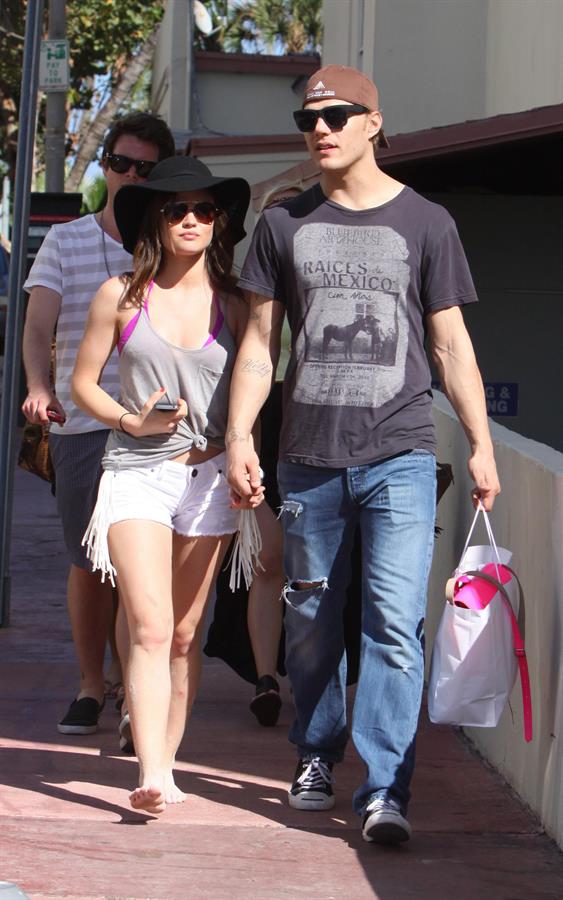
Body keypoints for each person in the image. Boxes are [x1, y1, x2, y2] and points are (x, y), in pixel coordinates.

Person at [225, 64, 500, 844]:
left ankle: (385, 787)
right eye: (308, 118)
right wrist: (242, 435)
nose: (321, 128)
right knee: (310, 618)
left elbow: (450, 344)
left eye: (339, 115)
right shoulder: (281, 225)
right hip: (307, 454)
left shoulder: (426, 222)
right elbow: (257, 345)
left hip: (401, 452)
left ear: (373, 123)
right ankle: (315, 752)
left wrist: (478, 443)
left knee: (390, 620)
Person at [71, 155, 252, 815]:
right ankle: (150, 772)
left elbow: (254, 385)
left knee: (182, 633)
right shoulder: (119, 295)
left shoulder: (237, 303)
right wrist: (129, 419)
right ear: (155, 217)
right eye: (177, 209)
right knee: (148, 625)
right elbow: (83, 383)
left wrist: (242, 447)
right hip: (135, 470)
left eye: (204, 210)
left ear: (218, 222)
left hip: (207, 478)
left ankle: (166, 759)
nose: (191, 220)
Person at [22, 113, 176, 737]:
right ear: (105, 165)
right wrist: (36, 387)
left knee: (140, 565)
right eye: (121, 163)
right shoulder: (67, 240)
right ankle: (92, 684)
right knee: (90, 563)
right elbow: (38, 328)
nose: (130, 176)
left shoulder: (173, 244)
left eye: (145, 168)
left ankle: (137, 690)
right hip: (84, 423)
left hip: (160, 430)